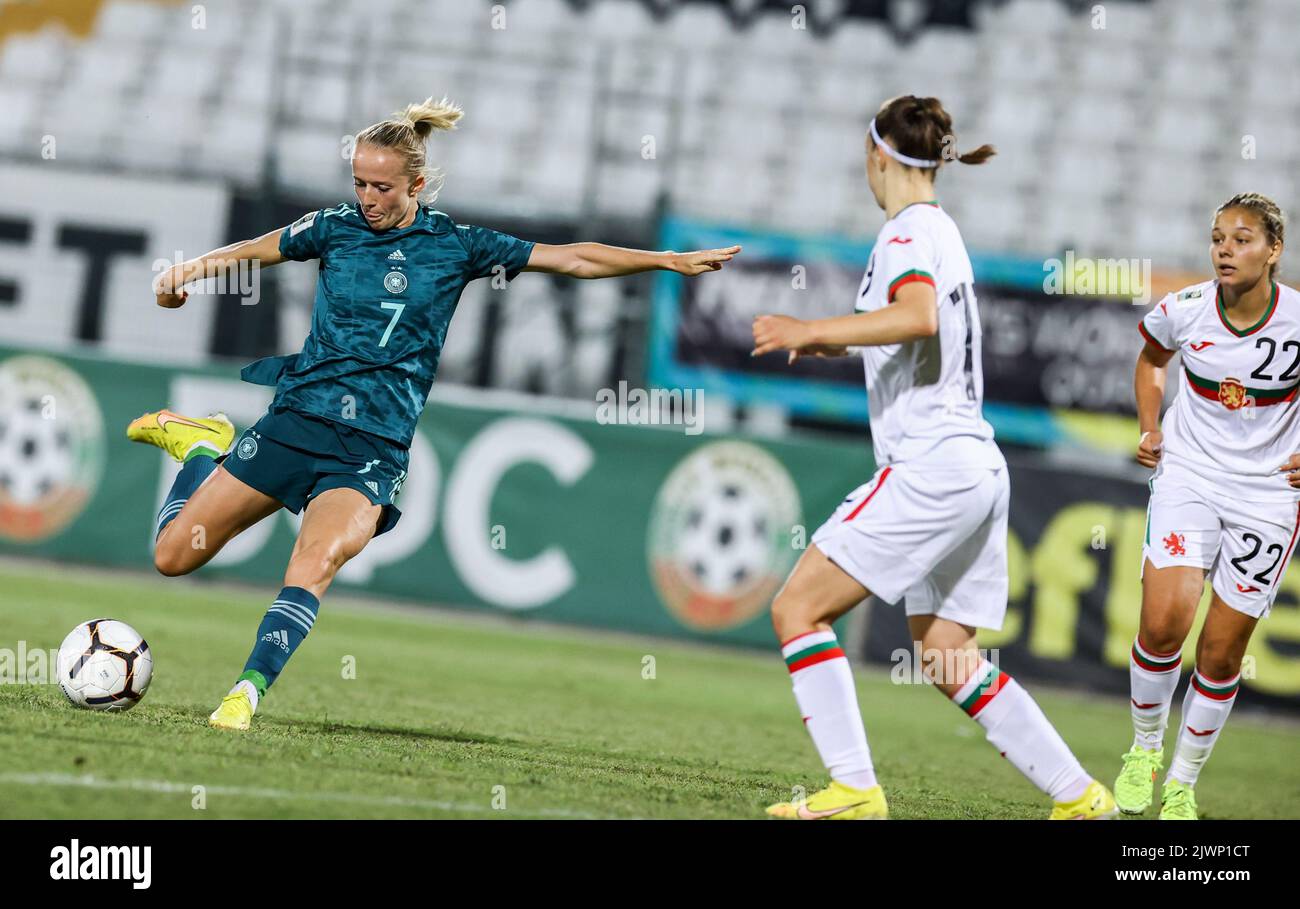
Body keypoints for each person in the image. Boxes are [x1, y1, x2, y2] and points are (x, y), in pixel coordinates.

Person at [127, 97, 739, 731]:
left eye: (382, 186)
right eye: (359, 182)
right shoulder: (333, 227)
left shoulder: (458, 246)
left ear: (415, 185)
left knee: (316, 559)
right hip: (296, 418)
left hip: (371, 447)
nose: (368, 196)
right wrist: (189, 272)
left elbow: (573, 257)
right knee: (174, 557)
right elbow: (261, 247)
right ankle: (201, 447)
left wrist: (665, 262)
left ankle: (244, 695)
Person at [751, 95, 1115, 820]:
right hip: (977, 465)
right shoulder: (940, 229)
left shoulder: (906, 233)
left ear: (876, 154)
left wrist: (816, 327)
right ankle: (1082, 797)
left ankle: (855, 790)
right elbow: (922, 325)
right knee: (948, 653)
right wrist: (832, 337)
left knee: (797, 607)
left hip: (933, 465)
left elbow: (918, 316)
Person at [1120, 192, 1297, 819]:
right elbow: (1150, 358)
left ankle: (1183, 784)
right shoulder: (1187, 308)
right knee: (1164, 623)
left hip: (1271, 494)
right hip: (1188, 474)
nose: (1225, 249)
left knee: (1222, 653)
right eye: (1218, 237)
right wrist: (1149, 426)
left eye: (1242, 239)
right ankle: (1143, 752)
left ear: (1274, 250)